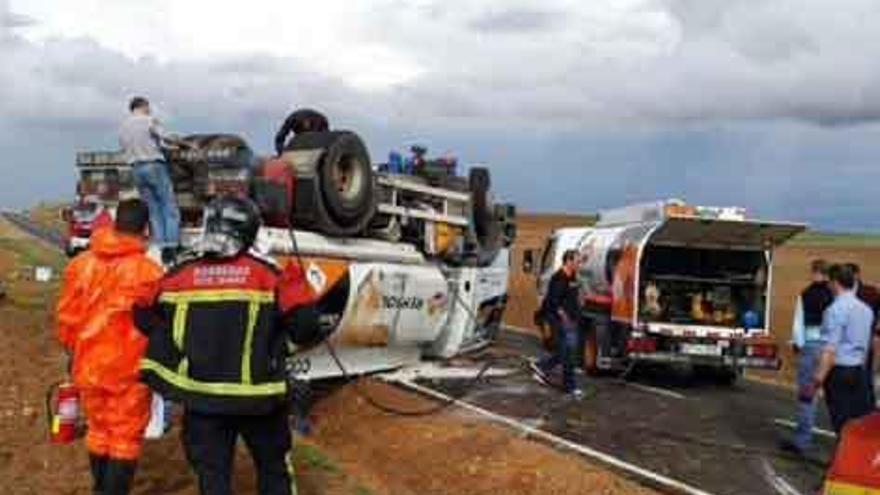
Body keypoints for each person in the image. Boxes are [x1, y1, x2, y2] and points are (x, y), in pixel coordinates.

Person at [135, 196, 321, 495]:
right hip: (260, 401)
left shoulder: (177, 274)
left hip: (201, 400)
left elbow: (142, 315)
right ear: (249, 231)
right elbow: (307, 327)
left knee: (212, 480)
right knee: (273, 471)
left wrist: (186, 344)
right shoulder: (270, 274)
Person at [56, 199, 164, 494]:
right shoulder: (149, 272)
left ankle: (99, 488)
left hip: (88, 365)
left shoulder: (80, 265)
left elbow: (66, 318)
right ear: (145, 229)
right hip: (129, 370)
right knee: (124, 438)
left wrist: (74, 352)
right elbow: (160, 325)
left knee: (98, 430)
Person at [802, 264, 874, 435]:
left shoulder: (834, 310)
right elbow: (866, 344)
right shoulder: (866, 310)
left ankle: (844, 460)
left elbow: (829, 350)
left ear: (835, 283)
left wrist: (816, 382)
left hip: (839, 372)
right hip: (858, 371)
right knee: (860, 422)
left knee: (841, 423)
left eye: (829, 283)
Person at [119, 96, 184, 264]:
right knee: (169, 207)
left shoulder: (123, 127)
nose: (150, 110)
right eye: (148, 107)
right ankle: (171, 247)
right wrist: (179, 141)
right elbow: (165, 136)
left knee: (154, 210)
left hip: (136, 169)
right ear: (143, 106)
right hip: (153, 166)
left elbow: (127, 147)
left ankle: (160, 247)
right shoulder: (148, 120)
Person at [781, 259, 833, 455]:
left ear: (815, 272)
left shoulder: (806, 294)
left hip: (811, 346)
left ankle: (802, 441)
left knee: (807, 395)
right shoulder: (835, 294)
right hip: (832, 348)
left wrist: (798, 345)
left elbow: (798, 324)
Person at [530, 249, 584, 398]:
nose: (580, 264)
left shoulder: (572, 276)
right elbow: (553, 301)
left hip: (571, 320)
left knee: (566, 353)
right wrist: (564, 316)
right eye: (577, 261)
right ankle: (570, 387)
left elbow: (573, 294)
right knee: (569, 355)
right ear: (568, 261)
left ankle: (542, 366)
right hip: (561, 321)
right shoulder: (559, 278)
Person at [846, 262, 880, 408]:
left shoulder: (870, 292)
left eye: (849, 274)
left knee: (865, 375)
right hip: (848, 340)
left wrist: (877, 333)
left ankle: (868, 407)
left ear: (857, 274)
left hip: (866, 339)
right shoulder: (842, 292)